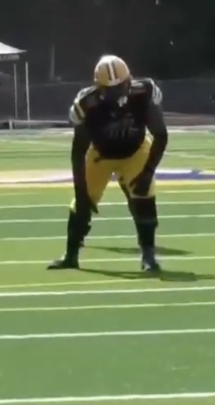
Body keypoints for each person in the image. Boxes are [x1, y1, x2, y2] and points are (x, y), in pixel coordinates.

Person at [49, 55, 169, 273]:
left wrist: (147, 173)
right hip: (101, 154)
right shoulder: (87, 104)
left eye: (121, 87)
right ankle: (71, 254)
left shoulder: (144, 92)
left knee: (144, 196)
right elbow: (78, 151)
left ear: (130, 80)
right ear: (98, 87)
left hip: (136, 150)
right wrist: (81, 191)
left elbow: (160, 135)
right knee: (81, 204)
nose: (118, 95)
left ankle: (149, 256)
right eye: (110, 91)